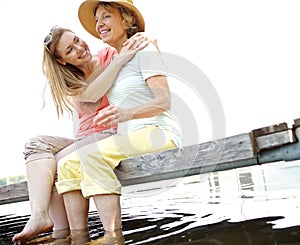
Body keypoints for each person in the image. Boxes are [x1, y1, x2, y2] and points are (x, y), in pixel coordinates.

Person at [55, 0, 182, 243]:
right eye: (97, 20)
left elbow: (164, 101)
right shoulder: (116, 60)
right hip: (134, 137)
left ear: (125, 19)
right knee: (66, 166)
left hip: (159, 132)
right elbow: (90, 94)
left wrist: (125, 114)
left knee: (91, 154)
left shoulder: (143, 49)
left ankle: (112, 236)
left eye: (106, 17)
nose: (99, 24)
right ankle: (77, 238)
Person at [12, 25, 149, 244]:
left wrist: (124, 53)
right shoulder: (71, 80)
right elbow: (91, 94)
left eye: (76, 40)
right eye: (69, 50)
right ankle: (43, 219)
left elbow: (136, 43)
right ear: (62, 61)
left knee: (59, 163)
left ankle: (66, 234)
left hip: (106, 134)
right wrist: (118, 61)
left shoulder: (108, 55)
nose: (79, 47)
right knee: (35, 144)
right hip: (83, 139)